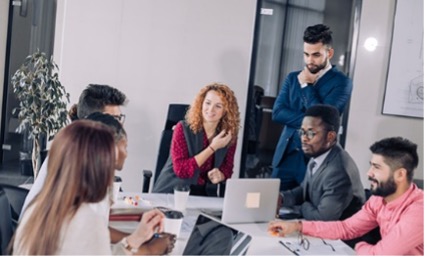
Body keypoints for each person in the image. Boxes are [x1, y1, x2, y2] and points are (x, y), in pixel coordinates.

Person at [21, 85, 174, 255]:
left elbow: (93, 237)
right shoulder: (83, 211)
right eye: (111, 121)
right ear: (92, 123)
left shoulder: (71, 168)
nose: (118, 128)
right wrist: (150, 249)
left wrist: (138, 237)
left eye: (119, 119)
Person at [268, 137, 424, 255]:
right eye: (371, 165)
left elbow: (380, 255)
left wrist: (359, 246)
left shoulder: (419, 211)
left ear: (400, 174)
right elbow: (345, 228)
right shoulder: (378, 199)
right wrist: (297, 226)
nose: (369, 173)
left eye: (376, 167)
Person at [271, 24, 353, 191]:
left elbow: (325, 120)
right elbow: (277, 113)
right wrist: (311, 123)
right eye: (306, 54)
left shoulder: (342, 83)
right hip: (285, 156)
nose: (309, 60)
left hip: (314, 160)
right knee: (272, 207)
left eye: (316, 55)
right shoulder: (293, 78)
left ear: (329, 53)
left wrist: (306, 85)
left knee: (307, 210)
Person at [278, 104, 365, 220]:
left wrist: (302, 207)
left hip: (339, 235)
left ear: (330, 136)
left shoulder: (338, 170)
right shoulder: (319, 153)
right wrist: (282, 198)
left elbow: (323, 218)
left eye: (310, 133)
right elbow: (305, 189)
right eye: (302, 132)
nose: (304, 138)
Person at [153, 83, 240, 196]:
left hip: (204, 194)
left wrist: (221, 175)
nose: (210, 109)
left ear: (226, 111)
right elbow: (181, 170)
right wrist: (213, 147)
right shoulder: (182, 128)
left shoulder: (228, 135)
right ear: (201, 104)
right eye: (208, 103)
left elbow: (227, 169)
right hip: (173, 191)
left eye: (218, 106)